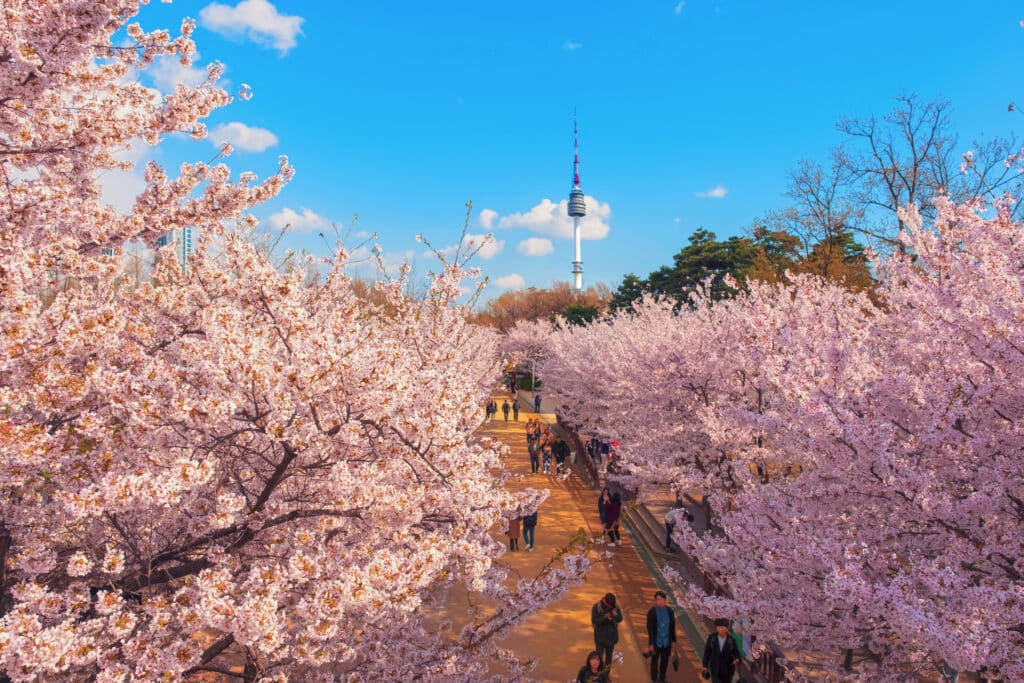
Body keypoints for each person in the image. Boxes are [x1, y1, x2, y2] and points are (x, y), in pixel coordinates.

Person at [646, 591, 677, 683]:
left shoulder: (670, 611)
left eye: (661, 599)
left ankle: (662, 678)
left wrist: (674, 640)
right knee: (655, 660)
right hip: (656, 641)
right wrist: (651, 643)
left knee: (665, 660)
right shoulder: (652, 612)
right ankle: (654, 679)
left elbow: (672, 626)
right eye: (657, 600)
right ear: (655, 601)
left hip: (667, 641)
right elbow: (650, 629)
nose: (659, 601)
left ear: (665, 600)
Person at [702, 618, 740, 683]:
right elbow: (707, 652)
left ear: (727, 629)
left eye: (722, 627)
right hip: (715, 667)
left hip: (728, 670)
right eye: (718, 627)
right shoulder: (712, 638)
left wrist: (736, 660)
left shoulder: (732, 640)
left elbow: (737, 654)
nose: (720, 629)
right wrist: (705, 665)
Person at [590, 593, 622, 669]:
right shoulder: (596, 607)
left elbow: (620, 618)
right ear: (605, 601)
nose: (610, 607)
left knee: (608, 659)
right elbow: (594, 621)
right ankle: (598, 676)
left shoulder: (615, 606)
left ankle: (606, 675)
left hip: (611, 638)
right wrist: (605, 618)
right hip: (600, 638)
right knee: (599, 658)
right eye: (609, 606)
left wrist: (615, 615)